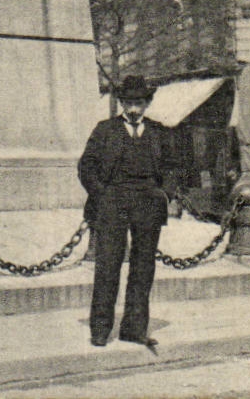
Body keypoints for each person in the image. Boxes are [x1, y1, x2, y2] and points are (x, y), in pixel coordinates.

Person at [78, 74, 181, 349]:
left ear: (147, 103)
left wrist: (165, 194)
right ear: (122, 103)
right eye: (129, 103)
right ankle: (100, 330)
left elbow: (172, 167)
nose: (134, 108)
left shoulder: (159, 132)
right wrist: (102, 195)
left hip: (148, 204)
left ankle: (134, 329)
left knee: (143, 268)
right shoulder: (105, 130)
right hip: (113, 202)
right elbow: (86, 166)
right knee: (108, 266)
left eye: (139, 103)